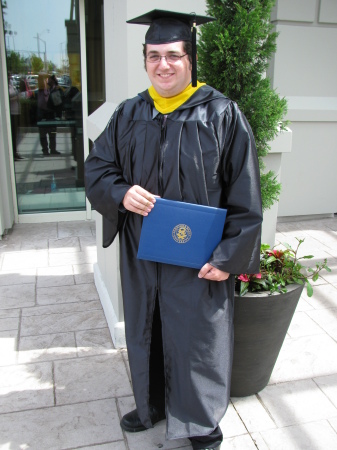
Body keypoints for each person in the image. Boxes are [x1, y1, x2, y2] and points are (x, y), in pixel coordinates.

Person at [85, 9, 263, 450]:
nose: (162, 65)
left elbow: (245, 193)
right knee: (147, 328)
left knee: (197, 336)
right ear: (145, 60)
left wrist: (228, 258)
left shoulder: (221, 114)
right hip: (142, 249)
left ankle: (201, 422)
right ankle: (151, 405)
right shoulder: (129, 114)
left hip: (197, 256)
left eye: (172, 55)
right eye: (153, 56)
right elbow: (97, 168)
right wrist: (121, 192)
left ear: (190, 59)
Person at [37, 74, 61, 156]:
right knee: (43, 133)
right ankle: (45, 150)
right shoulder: (42, 90)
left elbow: (57, 101)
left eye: (49, 79)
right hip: (43, 113)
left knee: (52, 133)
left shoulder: (53, 89)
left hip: (51, 113)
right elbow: (41, 102)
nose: (47, 81)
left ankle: (53, 149)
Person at [8, 73, 24, 161]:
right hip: (11, 113)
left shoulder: (11, 85)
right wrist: (15, 98)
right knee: (12, 134)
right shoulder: (5, 87)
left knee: (16, 134)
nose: (10, 77)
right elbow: (6, 99)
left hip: (16, 112)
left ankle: (15, 152)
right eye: (8, 76)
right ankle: (13, 153)